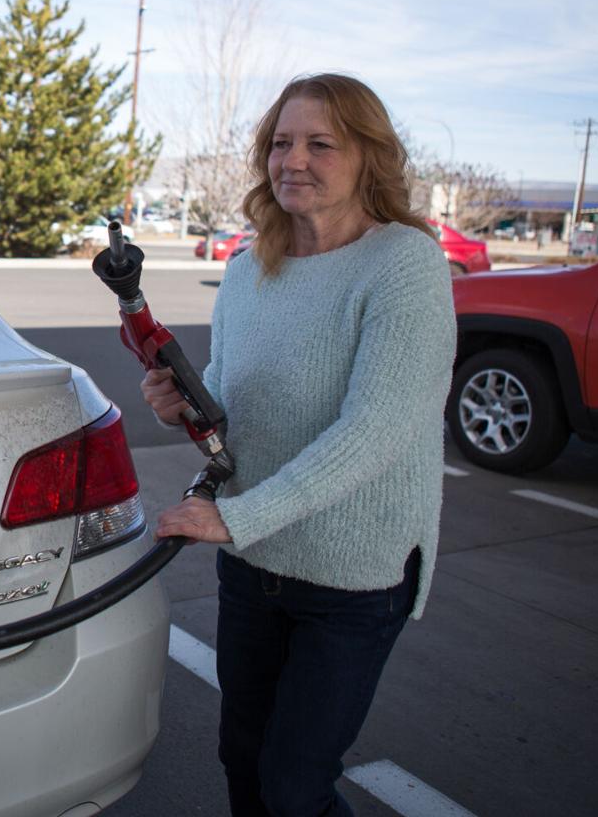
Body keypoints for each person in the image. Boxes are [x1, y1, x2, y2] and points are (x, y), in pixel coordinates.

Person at [142, 73, 455, 817]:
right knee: (242, 759)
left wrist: (236, 519)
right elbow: (227, 404)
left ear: (367, 158)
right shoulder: (249, 269)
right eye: (282, 143)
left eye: (321, 144)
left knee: (294, 784)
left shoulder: (404, 265)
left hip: (354, 577)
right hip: (255, 568)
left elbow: (375, 430)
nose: (294, 160)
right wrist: (180, 408)